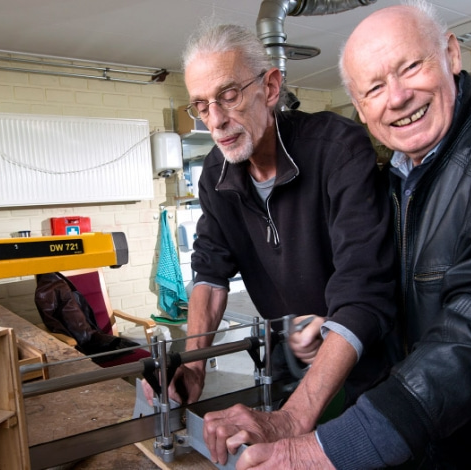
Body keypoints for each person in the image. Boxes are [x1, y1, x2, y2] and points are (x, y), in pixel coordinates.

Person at [202, 1, 471, 469]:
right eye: (374, 88)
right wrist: (330, 325)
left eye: (411, 67)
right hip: (435, 443)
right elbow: (396, 291)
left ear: (452, 54)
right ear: (361, 108)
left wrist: (323, 447)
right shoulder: (402, 178)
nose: (396, 97)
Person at [143, 21, 397, 443]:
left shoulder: (337, 148)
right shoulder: (216, 173)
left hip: (367, 353)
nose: (217, 121)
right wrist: (193, 364)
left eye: (228, 95)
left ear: (271, 87)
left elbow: (363, 284)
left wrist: (293, 417)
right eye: (202, 106)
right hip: (288, 346)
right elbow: (210, 271)